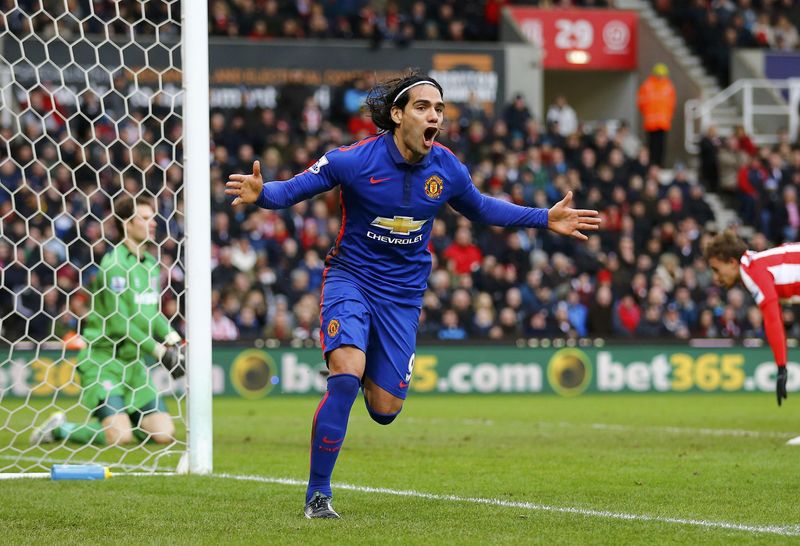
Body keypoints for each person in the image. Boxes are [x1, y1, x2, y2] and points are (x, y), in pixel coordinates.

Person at [225, 71, 601, 519]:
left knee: (385, 410)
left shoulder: (446, 167)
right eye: (424, 106)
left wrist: (544, 217)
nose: (435, 115)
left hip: (402, 296)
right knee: (344, 378)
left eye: (439, 109)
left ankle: (362, 363)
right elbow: (292, 190)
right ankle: (318, 494)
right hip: (352, 278)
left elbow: (481, 207)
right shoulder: (352, 160)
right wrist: (261, 194)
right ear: (398, 114)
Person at [30, 195, 184, 446]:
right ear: (126, 224)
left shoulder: (151, 265)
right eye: (145, 218)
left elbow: (152, 312)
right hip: (104, 361)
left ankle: (123, 416)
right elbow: (118, 323)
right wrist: (159, 351)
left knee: (164, 433)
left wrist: (173, 340)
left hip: (134, 365)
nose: (153, 223)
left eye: (153, 217)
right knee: (119, 437)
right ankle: (61, 429)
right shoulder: (113, 265)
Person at [704, 230, 795, 409]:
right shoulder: (754, 263)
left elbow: (773, 317)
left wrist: (781, 367)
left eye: (716, 269)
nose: (716, 278)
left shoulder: (753, 271)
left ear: (731, 263)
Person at [637, 62, 676, 167]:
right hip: (651, 123)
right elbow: (641, 103)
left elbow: (671, 104)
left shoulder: (668, 86)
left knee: (661, 147)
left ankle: (660, 166)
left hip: (663, 123)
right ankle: (652, 166)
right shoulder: (647, 85)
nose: (660, 76)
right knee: (652, 146)